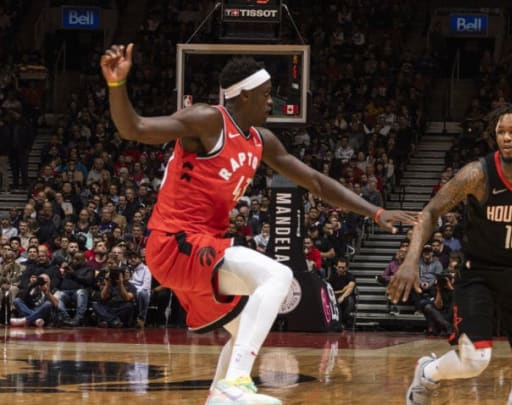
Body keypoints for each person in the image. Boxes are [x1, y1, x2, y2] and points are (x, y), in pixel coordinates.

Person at [101, 43, 417, 405]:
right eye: (266, 95)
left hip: (199, 250)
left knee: (246, 327)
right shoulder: (207, 120)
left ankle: (221, 396)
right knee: (279, 277)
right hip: (175, 241)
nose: (273, 101)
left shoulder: (261, 140)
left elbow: (314, 181)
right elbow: (135, 128)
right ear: (244, 94)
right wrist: (117, 86)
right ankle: (235, 383)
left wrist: (375, 212)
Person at [388, 102, 512, 405]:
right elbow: (431, 212)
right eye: (501, 132)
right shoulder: (477, 174)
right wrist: (410, 260)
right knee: (475, 360)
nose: (506, 138)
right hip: (478, 273)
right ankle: (428, 373)